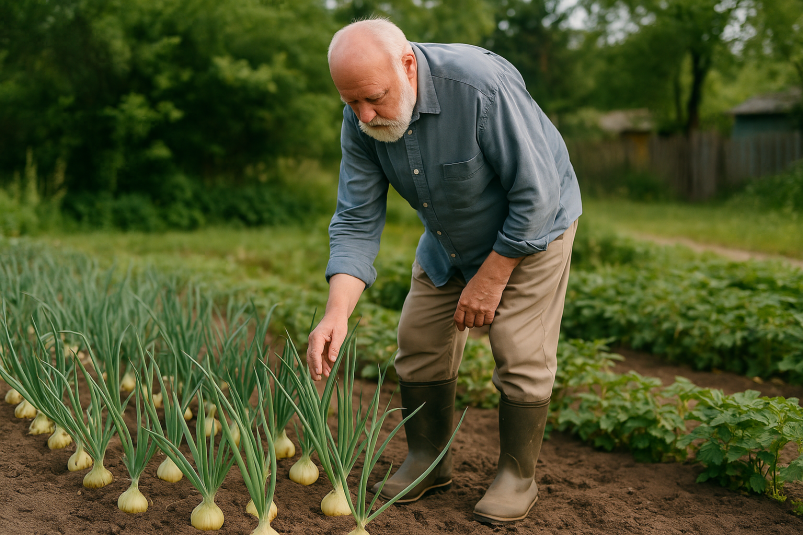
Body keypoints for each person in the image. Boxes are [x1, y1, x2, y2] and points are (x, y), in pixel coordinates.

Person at [307, 18, 582, 524]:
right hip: (449, 237)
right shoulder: (361, 119)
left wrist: (492, 278)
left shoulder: (479, 87)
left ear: (408, 66)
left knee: (519, 350)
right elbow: (356, 219)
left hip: (533, 231)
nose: (365, 114)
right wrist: (336, 313)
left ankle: (517, 476)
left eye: (374, 98)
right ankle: (427, 460)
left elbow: (537, 194)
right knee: (418, 341)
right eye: (351, 102)